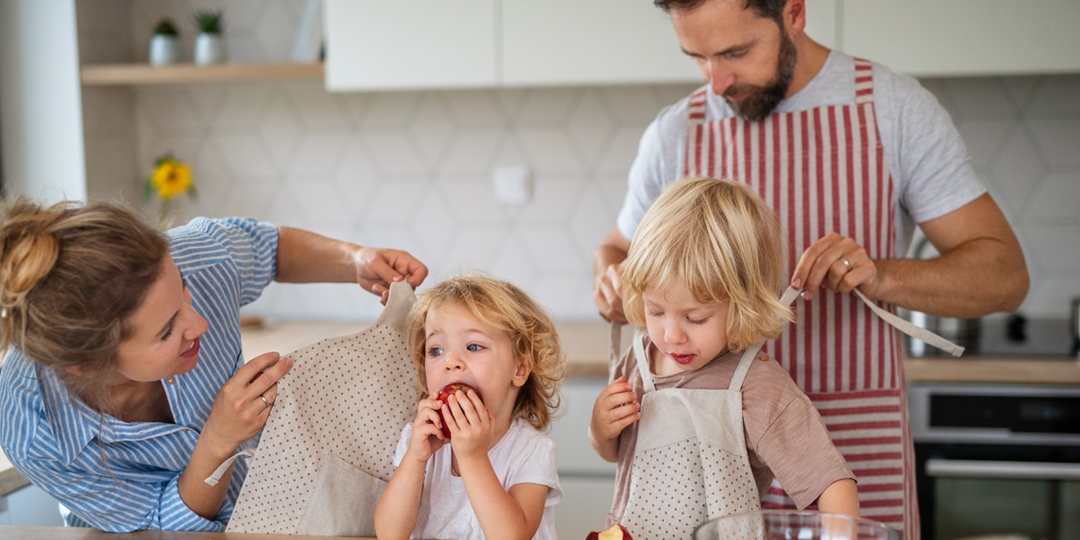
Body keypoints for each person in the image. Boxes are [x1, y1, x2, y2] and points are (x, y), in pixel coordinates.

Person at [592, 0, 1029, 534]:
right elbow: (616, 250)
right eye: (698, 57)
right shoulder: (676, 132)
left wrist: (881, 275)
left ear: (794, 12)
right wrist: (614, 279)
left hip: (854, 450)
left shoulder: (892, 110)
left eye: (736, 52)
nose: (717, 82)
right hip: (707, 456)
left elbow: (1006, 275)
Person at [0, 199, 427, 532]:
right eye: (167, 330)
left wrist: (353, 259)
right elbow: (160, 528)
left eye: (184, 290)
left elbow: (268, 247)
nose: (199, 323)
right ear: (89, 364)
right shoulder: (34, 432)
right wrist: (217, 441)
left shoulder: (193, 257)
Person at [590, 177, 858, 539]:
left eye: (695, 318)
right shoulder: (637, 362)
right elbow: (616, 454)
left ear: (744, 305)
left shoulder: (757, 386)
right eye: (656, 311)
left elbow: (828, 480)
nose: (671, 335)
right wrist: (600, 429)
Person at [375, 273, 565, 540]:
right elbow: (389, 534)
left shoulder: (531, 450)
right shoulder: (417, 442)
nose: (450, 362)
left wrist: (473, 457)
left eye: (474, 346)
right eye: (436, 350)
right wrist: (415, 459)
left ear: (520, 368)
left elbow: (512, 536)